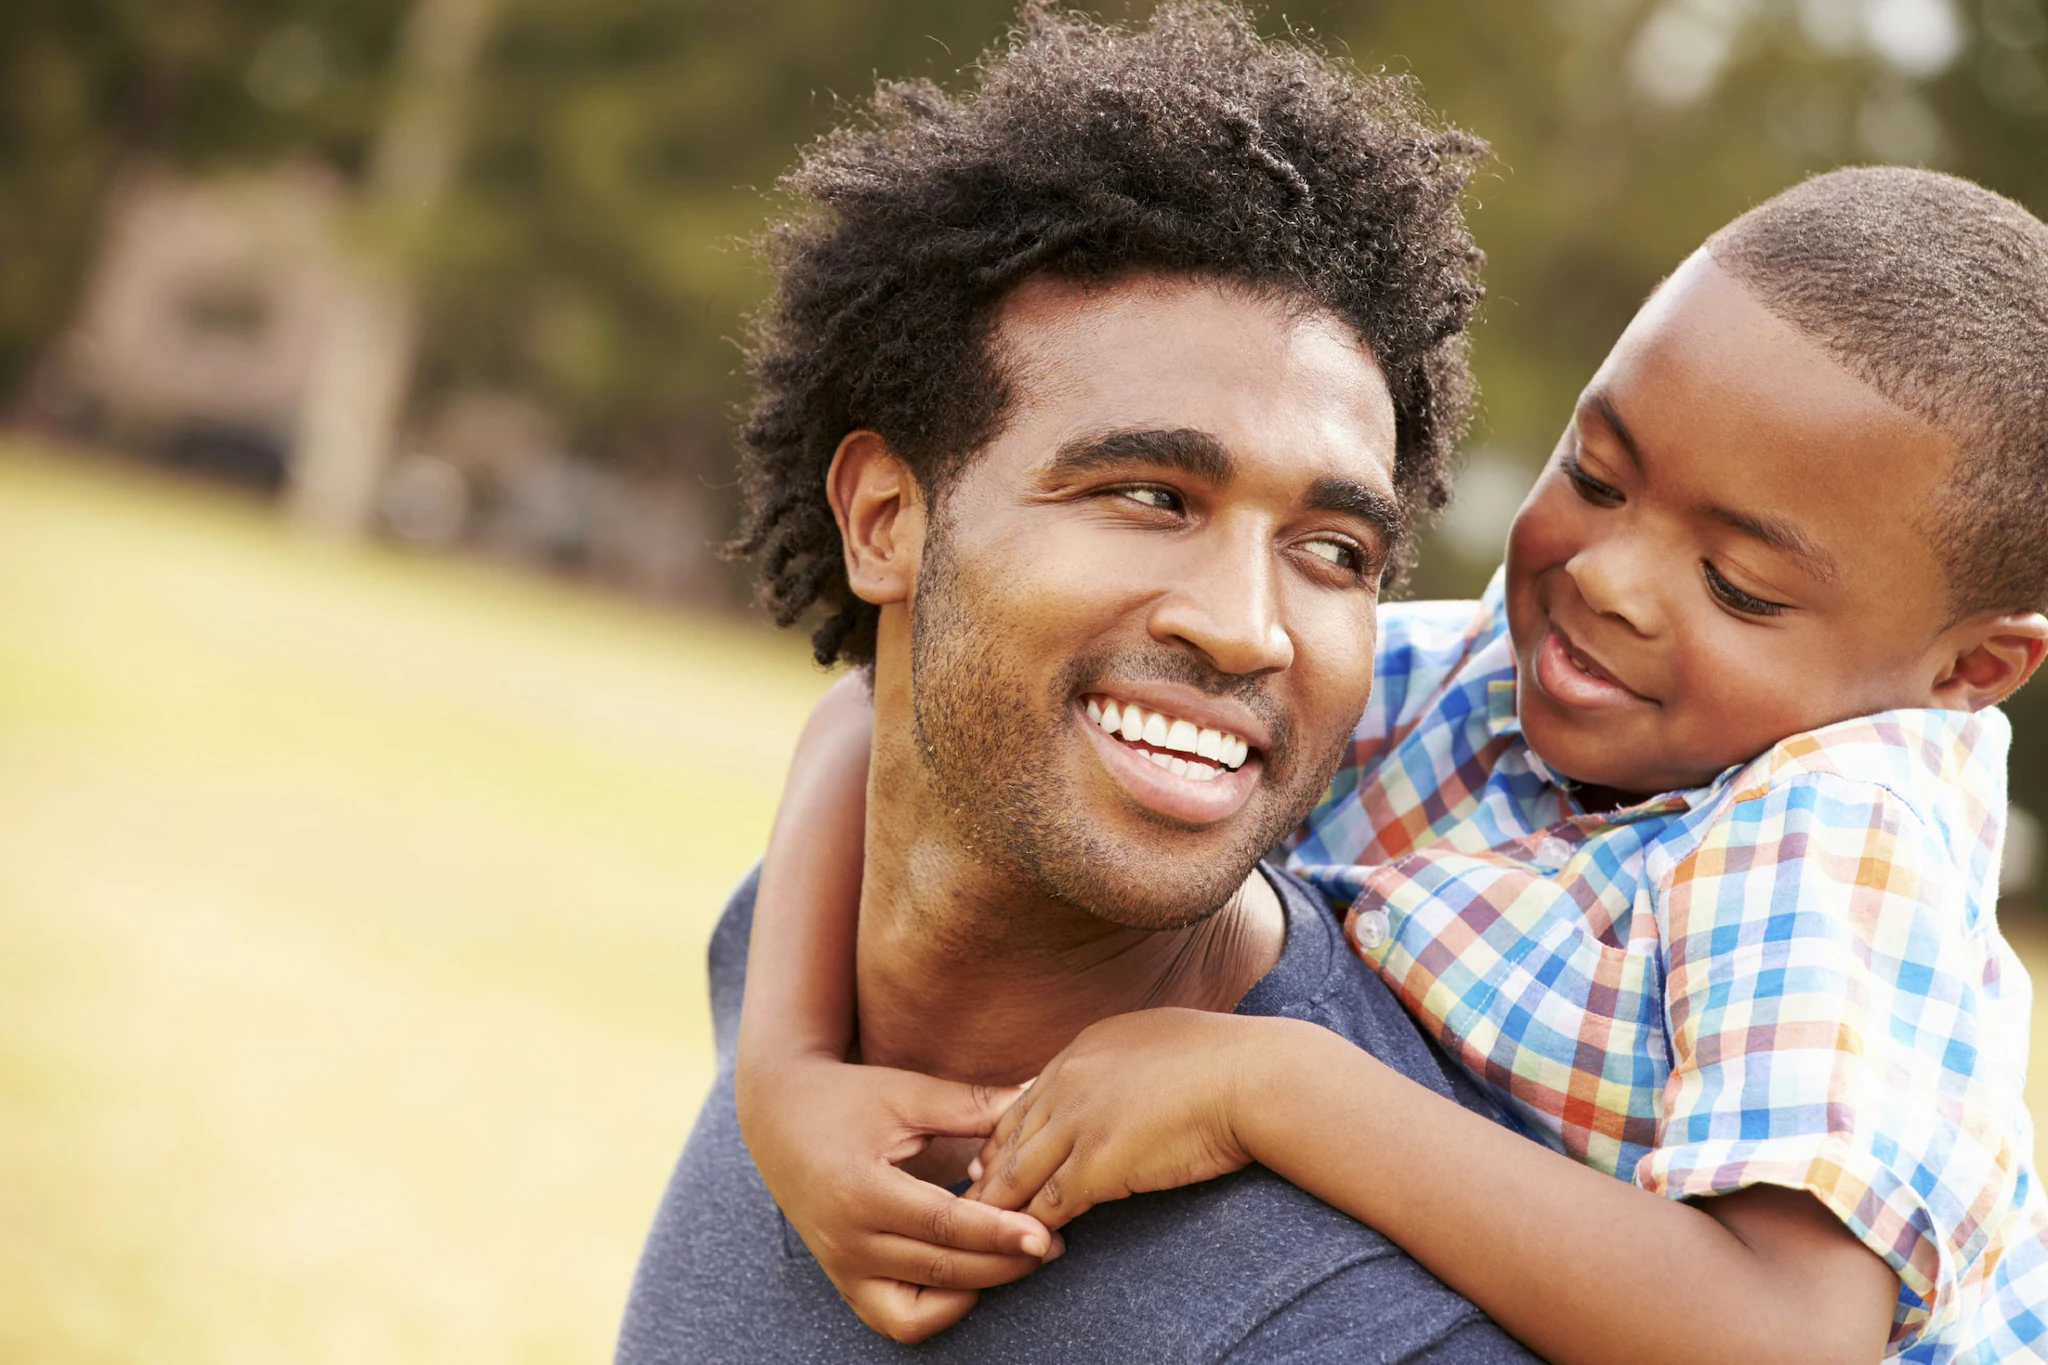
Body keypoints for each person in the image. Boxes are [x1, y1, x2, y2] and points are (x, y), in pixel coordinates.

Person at [740, 169, 2048, 1361]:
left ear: (1971, 671)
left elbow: (1780, 1339)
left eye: (1737, 584)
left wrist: (1269, 1087)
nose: (1610, 580)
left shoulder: (1838, 837)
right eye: (1596, 477)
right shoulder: (1487, 682)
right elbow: (888, 702)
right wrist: (786, 1074)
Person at [614, 4, 1542, 1361]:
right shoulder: (789, 962)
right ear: (886, 520)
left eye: (1332, 549)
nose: (1246, 629)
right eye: (1149, 494)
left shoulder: (1368, 1320)